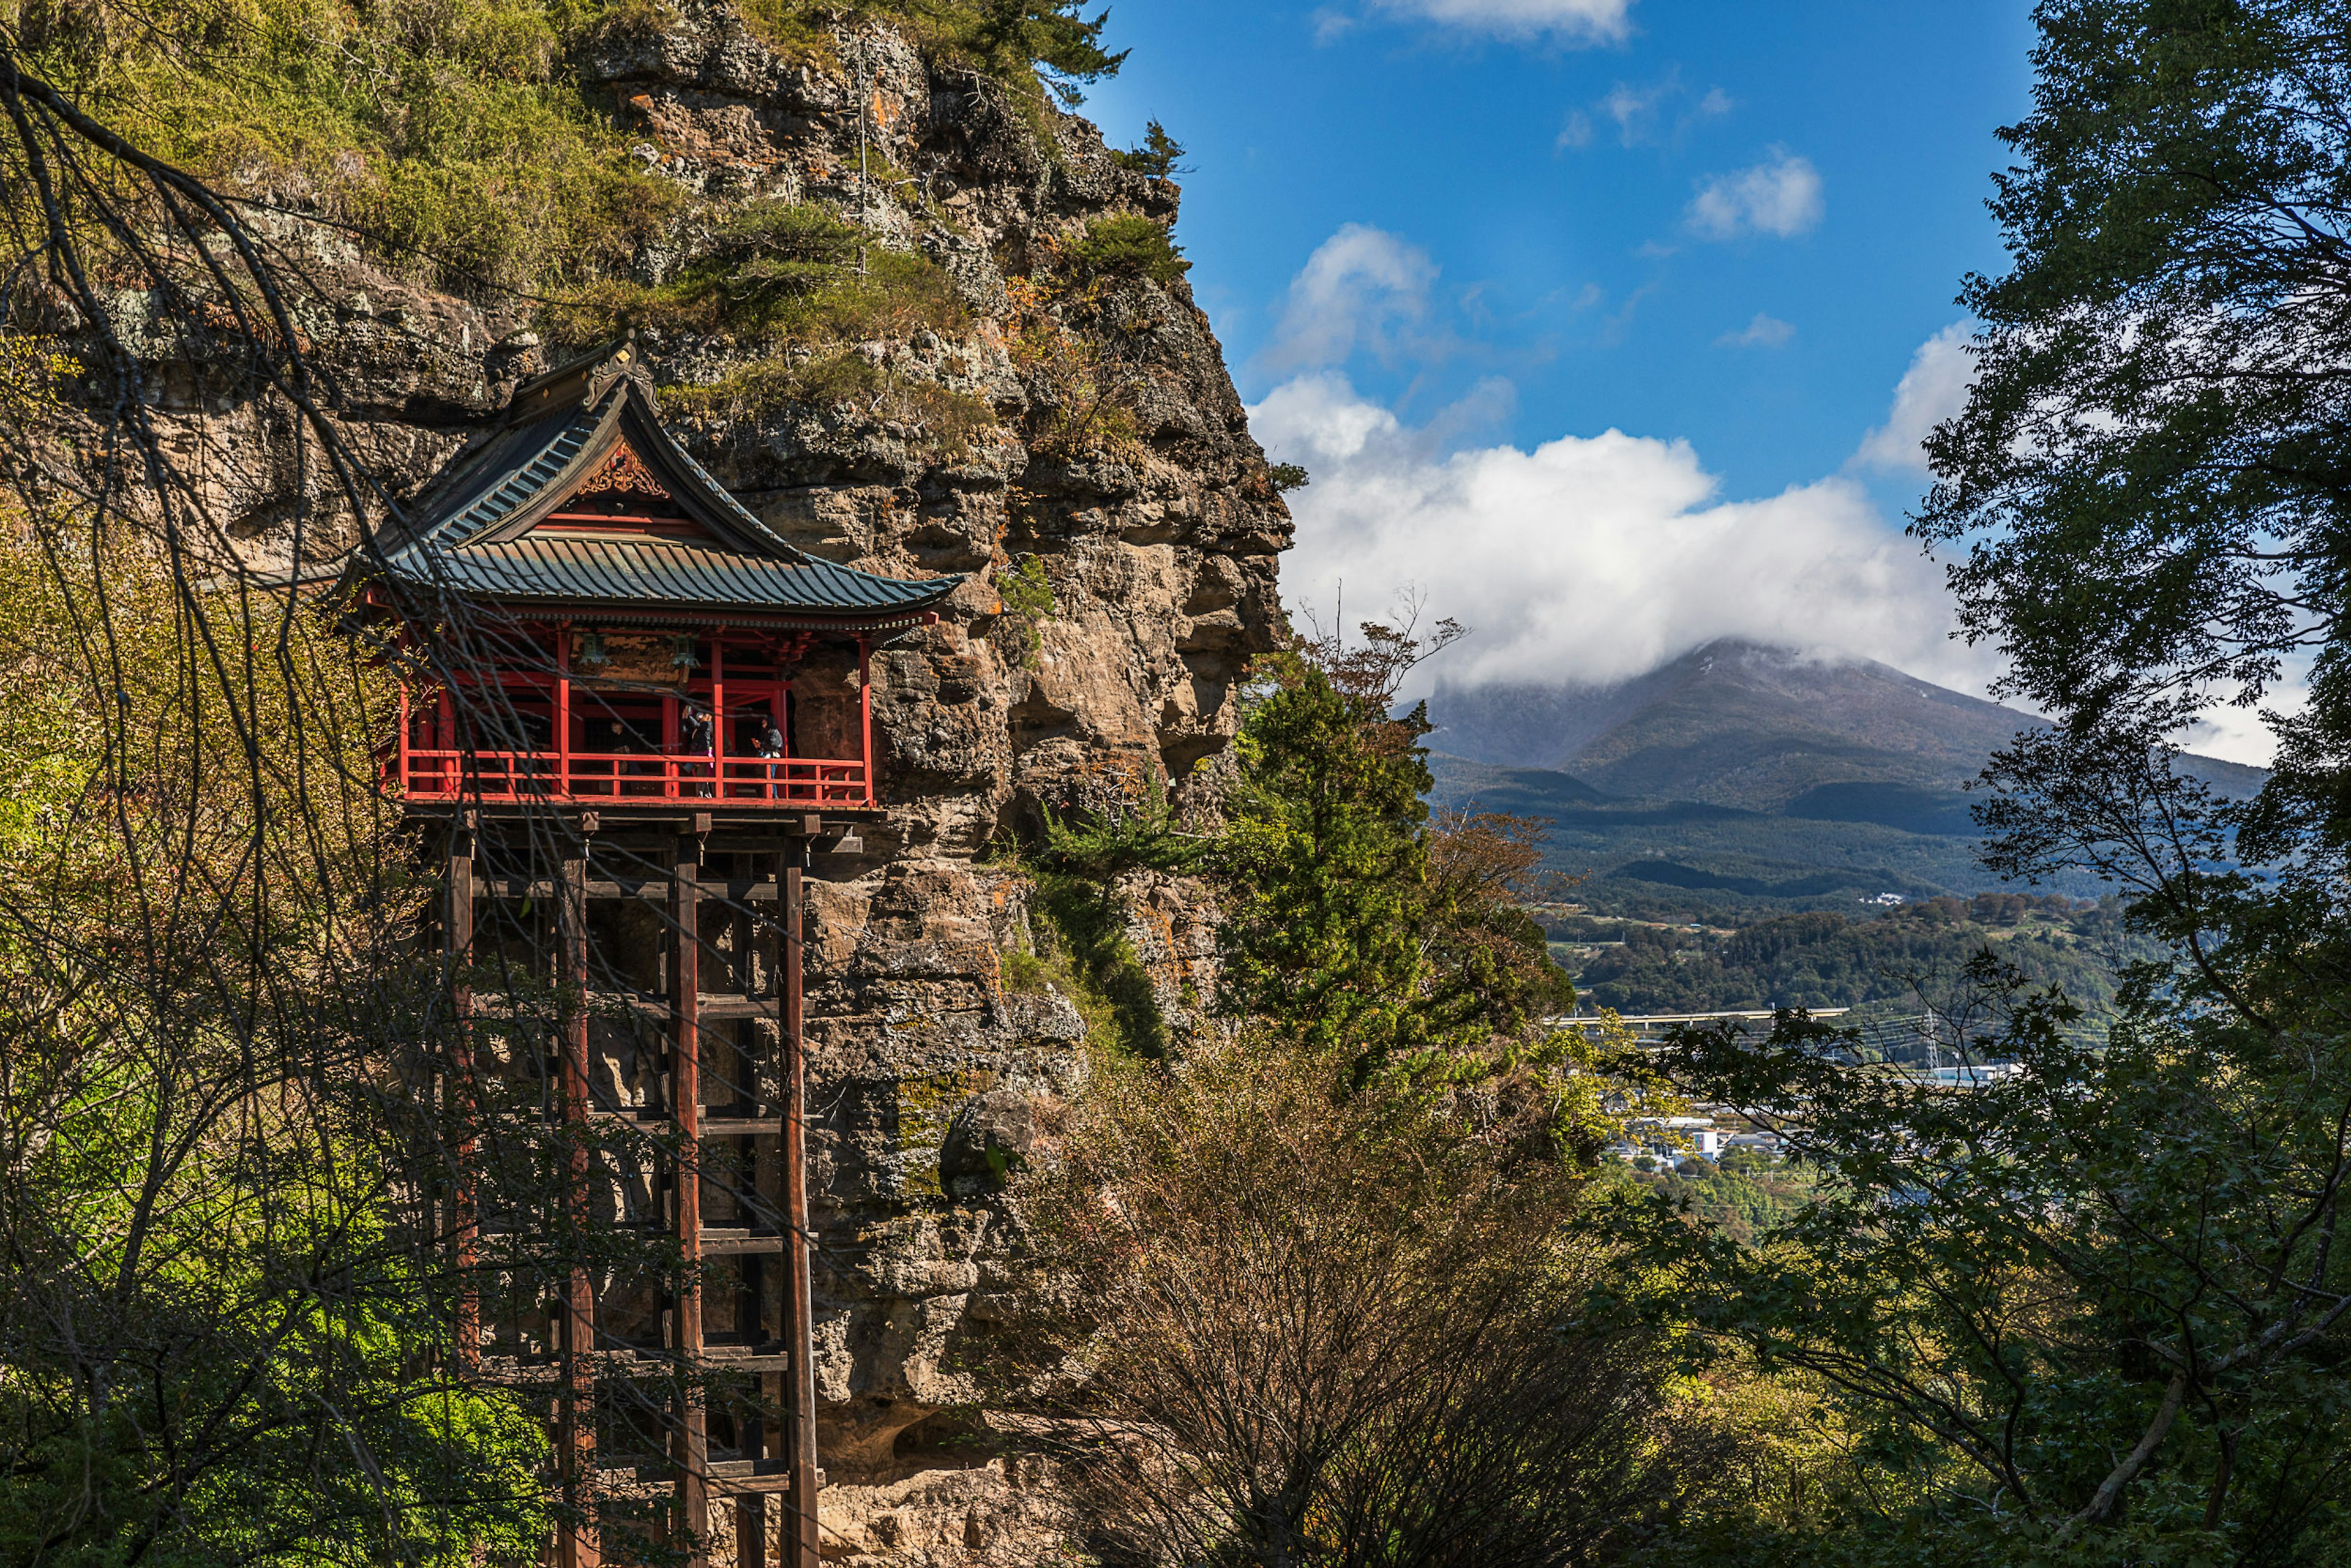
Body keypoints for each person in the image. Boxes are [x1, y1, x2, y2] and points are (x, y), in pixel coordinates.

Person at [680, 701, 714, 797]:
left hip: (703, 752)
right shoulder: (699, 728)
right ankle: (707, 795)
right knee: (701, 775)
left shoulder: (708, 725)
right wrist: (684, 718)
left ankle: (701, 795)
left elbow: (697, 725)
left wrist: (690, 716)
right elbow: (686, 730)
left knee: (701, 775)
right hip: (696, 752)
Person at [754, 715, 787, 800]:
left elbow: (773, 745)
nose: (763, 723)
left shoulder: (774, 732)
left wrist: (761, 745)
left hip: (772, 757)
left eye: (765, 721)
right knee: (766, 776)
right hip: (767, 756)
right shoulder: (766, 732)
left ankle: (774, 795)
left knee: (770, 776)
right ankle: (767, 794)